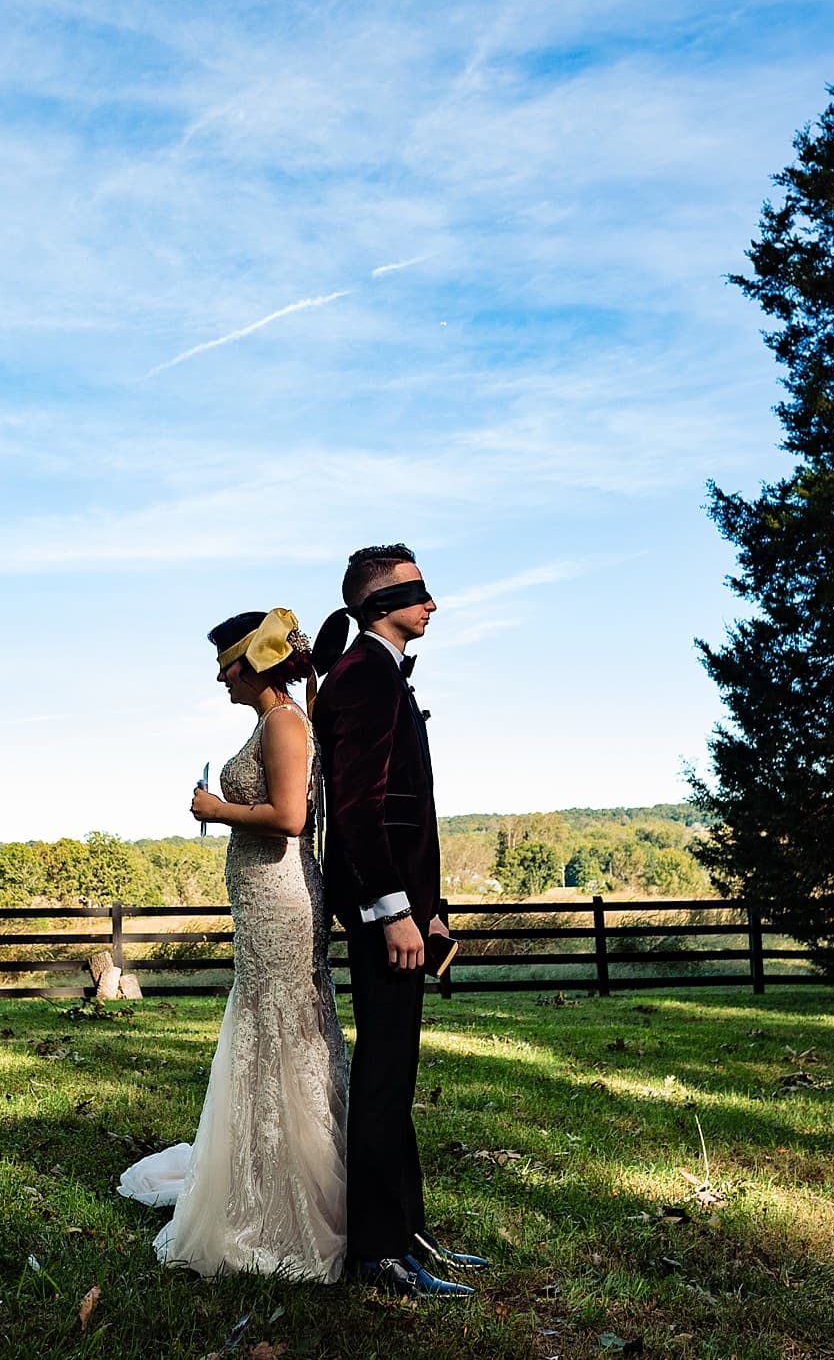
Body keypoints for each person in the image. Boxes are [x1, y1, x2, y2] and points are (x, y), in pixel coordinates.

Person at [116, 608, 348, 1282]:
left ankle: (292, 1196)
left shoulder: (282, 723)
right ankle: (261, 1173)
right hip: (262, 902)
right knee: (263, 1028)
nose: (220, 678)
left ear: (253, 664)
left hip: (282, 900)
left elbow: (289, 817)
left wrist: (217, 810)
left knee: (282, 1031)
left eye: (226, 665)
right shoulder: (269, 721)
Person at [311, 545, 487, 1298]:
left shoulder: (379, 673)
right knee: (382, 1079)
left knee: (398, 1071)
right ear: (381, 601)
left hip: (411, 912)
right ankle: (378, 1251)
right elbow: (357, 808)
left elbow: (410, 811)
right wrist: (393, 912)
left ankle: (408, 1230)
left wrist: (433, 905)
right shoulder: (363, 676)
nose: (433, 604)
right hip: (387, 917)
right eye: (419, 592)